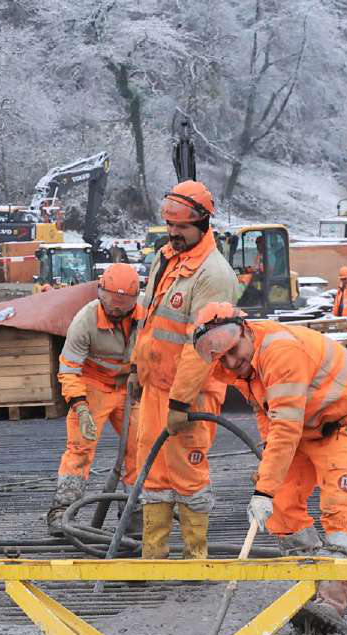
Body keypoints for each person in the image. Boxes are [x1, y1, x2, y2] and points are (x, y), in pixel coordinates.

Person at [192, 303, 347, 634]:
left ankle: (331, 602)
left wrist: (263, 488)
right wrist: (269, 477)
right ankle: (312, 582)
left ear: (244, 330)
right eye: (221, 358)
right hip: (305, 429)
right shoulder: (243, 368)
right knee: (281, 506)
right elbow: (269, 417)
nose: (231, 363)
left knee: (338, 508)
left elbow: (285, 426)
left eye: (233, 352)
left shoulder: (280, 351)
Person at [131, 180, 238, 560]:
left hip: (189, 395)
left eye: (182, 228)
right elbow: (148, 320)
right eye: (170, 226)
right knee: (154, 473)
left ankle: (196, 560)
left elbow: (204, 345)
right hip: (155, 388)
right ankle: (153, 559)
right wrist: (135, 369)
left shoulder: (214, 274)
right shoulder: (166, 259)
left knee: (189, 476)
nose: (174, 234)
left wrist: (181, 401)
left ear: (203, 223)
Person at [48, 263, 141, 531]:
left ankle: (133, 511)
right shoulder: (85, 320)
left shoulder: (148, 315)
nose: (115, 312)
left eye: (122, 307)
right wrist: (79, 405)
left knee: (139, 448)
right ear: (100, 294)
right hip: (94, 386)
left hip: (131, 388)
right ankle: (62, 511)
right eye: (111, 305)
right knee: (80, 448)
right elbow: (68, 369)